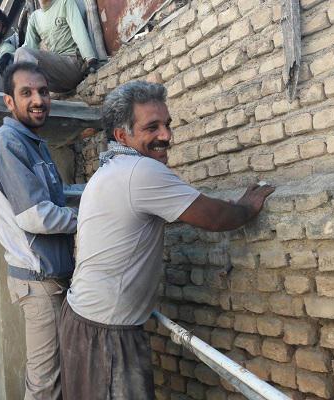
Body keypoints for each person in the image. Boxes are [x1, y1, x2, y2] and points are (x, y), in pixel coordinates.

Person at [59, 81, 275, 400]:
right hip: (105, 333)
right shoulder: (141, 172)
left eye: (167, 125)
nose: (166, 136)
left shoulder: (111, 170)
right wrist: (245, 208)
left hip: (84, 320)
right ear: (122, 136)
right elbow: (214, 218)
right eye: (152, 127)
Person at [0, 62, 78, 400]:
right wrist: (90, 217)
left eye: (43, 91)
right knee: (45, 384)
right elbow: (35, 215)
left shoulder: (35, 143)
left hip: (50, 278)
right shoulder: (6, 142)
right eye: (27, 93)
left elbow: (57, 199)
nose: (38, 100)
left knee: (52, 377)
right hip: (38, 280)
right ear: (9, 101)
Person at [0, 0, 97, 93]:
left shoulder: (65, 3)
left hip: (71, 67)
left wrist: (90, 59)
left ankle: (24, 99)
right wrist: (10, 56)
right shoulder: (35, 17)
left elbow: (79, 32)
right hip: (53, 78)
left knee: (21, 53)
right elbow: (28, 46)